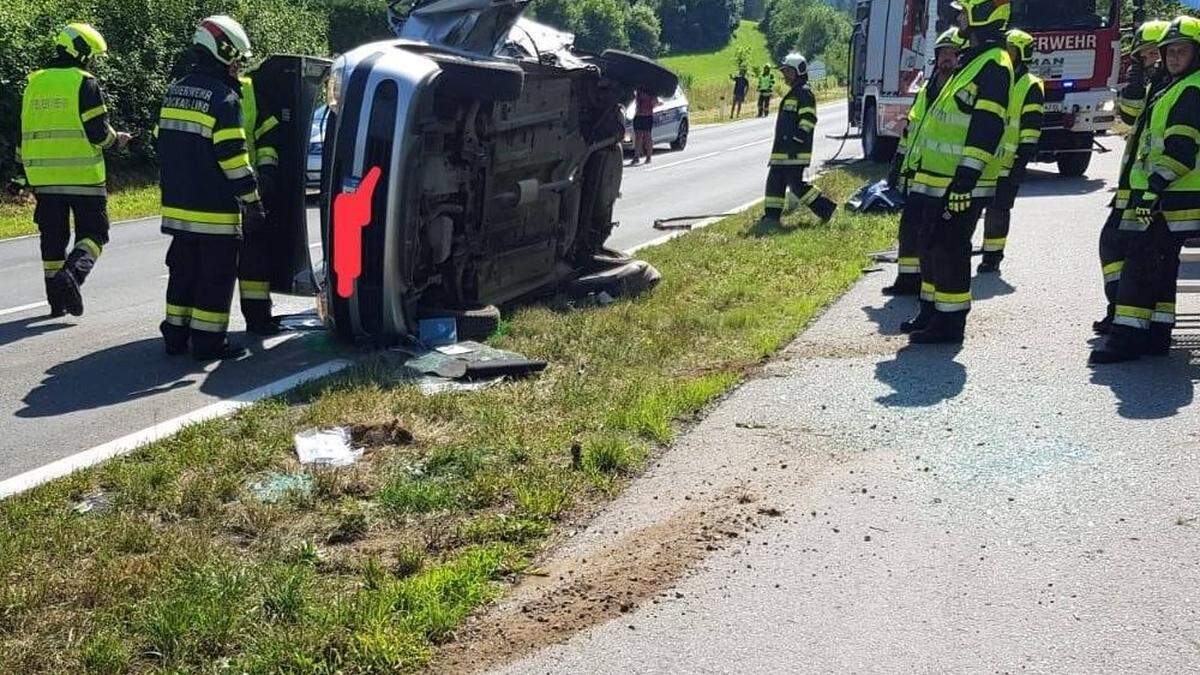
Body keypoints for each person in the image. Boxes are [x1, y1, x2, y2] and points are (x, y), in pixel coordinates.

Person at [902, 0, 1013, 344]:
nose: (958, 17)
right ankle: (931, 311)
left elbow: (987, 126)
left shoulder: (994, 64)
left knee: (950, 248)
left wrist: (966, 178)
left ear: (982, 13)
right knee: (930, 245)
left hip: (962, 181)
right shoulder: (973, 61)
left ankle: (949, 324)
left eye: (963, 11)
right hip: (938, 179)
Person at [1091, 16, 1200, 365]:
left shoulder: (1190, 89)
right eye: (1170, 51)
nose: (1172, 57)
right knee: (1159, 263)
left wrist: (1153, 189)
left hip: (1170, 197)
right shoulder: (1174, 85)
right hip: (1164, 196)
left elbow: (1181, 150)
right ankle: (1155, 334)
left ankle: (1126, 338)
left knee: (1140, 262)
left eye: (1181, 51)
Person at [157, 15, 264, 361]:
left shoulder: (174, 91)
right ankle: (207, 343)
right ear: (221, 52)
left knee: (183, 273)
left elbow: (164, 144)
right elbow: (233, 159)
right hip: (215, 212)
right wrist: (252, 200)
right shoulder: (225, 99)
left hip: (178, 209)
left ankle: (175, 334)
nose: (237, 66)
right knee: (214, 281)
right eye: (235, 58)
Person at [18, 23, 131, 318]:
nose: (92, 61)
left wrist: (22, 173)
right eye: (91, 55)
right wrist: (116, 140)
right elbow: (97, 133)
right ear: (81, 52)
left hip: (43, 179)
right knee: (94, 233)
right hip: (84, 178)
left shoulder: (34, 82)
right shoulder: (85, 82)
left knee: (52, 239)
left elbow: (24, 132)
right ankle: (72, 276)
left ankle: (56, 303)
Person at [1093, 19, 1171, 334]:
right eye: (1143, 56)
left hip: (1159, 188)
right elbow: (1128, 116)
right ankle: (1119, 308)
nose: (1149, 60)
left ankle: (1131, 319)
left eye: (1154, 54)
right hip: (1136, 186)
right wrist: (1135, 86)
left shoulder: (1181, 87)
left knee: (1129, 250)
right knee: (1113, 244)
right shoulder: (1157, 86)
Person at [883, 27, 967, 296]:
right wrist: (899, 163)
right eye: (943, 53)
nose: (947, 59)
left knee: (933, 235)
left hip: (946, 176)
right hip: (920, 173)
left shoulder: (961, 91)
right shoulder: (927, 91)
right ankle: (907, 280)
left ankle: (928, 288)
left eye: (953, 54)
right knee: (909, 227)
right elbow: (913, 130)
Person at [977, 29, 1045, 274]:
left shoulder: (1031, 85)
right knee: (971, 207)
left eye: (1011, 50)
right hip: (981, 158)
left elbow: (1031, 127)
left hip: (1008, 162)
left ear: (1022, 54)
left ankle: (992, 257)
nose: (1006, 53)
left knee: (998, 210)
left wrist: (1021, 160)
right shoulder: (995, 75)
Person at [757, 53, 837, 229]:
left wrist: (797, 139)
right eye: (784, 71)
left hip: (794, 151)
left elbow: (809, 119)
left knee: (796, 186)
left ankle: (826, 208)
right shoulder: (795, 92)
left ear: (798, 71)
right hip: (782, 151)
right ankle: (771, 217)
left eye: (788, 71)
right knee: (774, 183)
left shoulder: (804, 93)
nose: (784, 75)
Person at [237, 69, 284, 335]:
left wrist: (266, 177)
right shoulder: (205, 90)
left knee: (254, 257)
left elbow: (268, 135)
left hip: (247, 189)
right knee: (213, 264)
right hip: (221, 193)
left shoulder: (249, 89)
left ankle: (258, 319)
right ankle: (204, 332)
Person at [630, 88, 659, 166]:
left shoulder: (651, 92)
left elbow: (656, 102)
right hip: (638, 116)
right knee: (637, 137)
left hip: (647, 116)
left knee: (647, 136)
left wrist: (650, 103)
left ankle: (648, 157)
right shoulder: (637, 91)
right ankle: (636, 156)